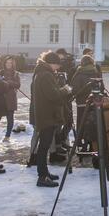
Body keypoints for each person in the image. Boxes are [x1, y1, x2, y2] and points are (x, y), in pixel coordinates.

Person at [32, 52, 73, 187]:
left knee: (44, 146)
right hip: (47, 116)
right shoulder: (46, 75)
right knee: (44, 147)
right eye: (57, 65)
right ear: (51, 63)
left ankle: (44, 173)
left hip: (46, 115)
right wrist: (65, 90)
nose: (58, 68)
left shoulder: (43, 73)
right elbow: (53, 95)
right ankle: (42, 177)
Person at [0, 56, 21, 143]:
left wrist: (9, 82)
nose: (8, 64)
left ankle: (7, 136)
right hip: (1, 98)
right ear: (4, 63)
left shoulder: (15, 74)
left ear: (13, 64)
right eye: (7, 63)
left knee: (10, 118)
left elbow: (18, 85)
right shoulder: (0, 72)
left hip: (11, 98)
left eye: (10, 63)